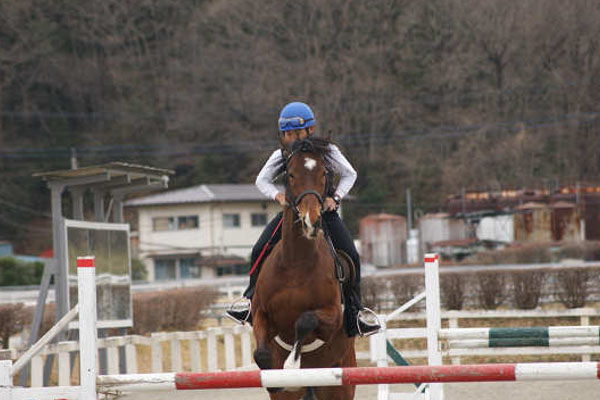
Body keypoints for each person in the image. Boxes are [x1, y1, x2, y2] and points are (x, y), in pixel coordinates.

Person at [226, 101, 380, 337]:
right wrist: (277, 196)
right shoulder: (281, 155)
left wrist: (336, 198)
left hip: (325, 213)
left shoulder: (328, 151)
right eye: (287, 134)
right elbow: (261, 180)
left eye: (297, 133)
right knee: (259, 249)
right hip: (293, 214)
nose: (292, 138)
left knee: (351, 254)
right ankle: (249, 300)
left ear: (310, 130)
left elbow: (350, 174)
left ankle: (356, 313)